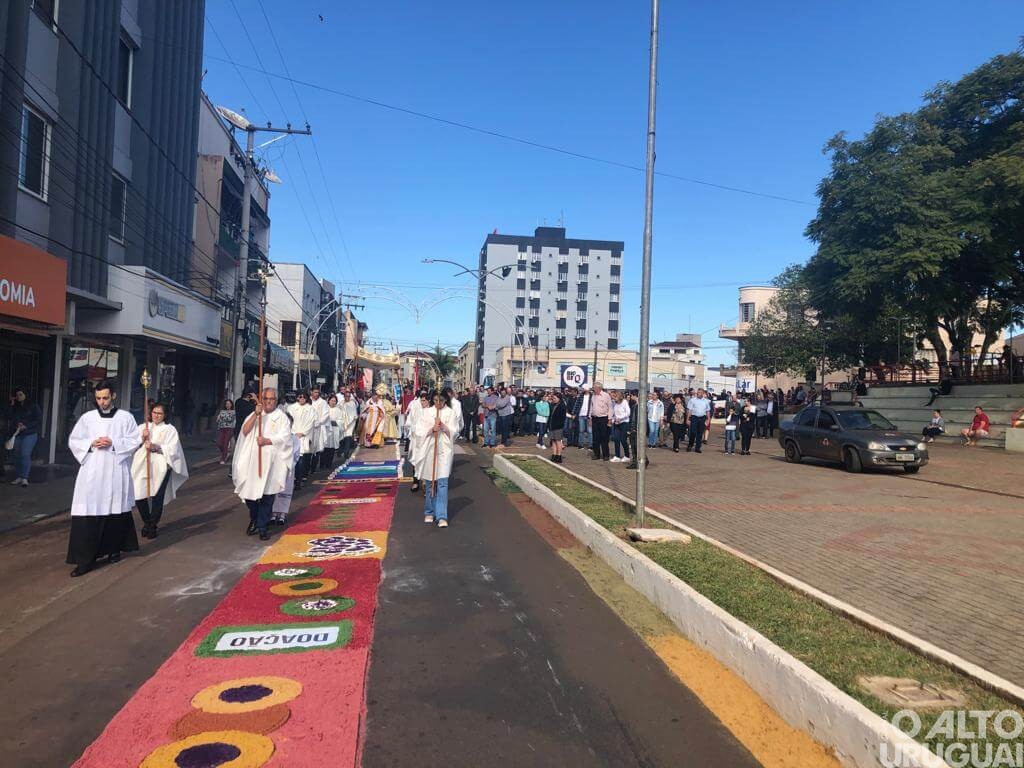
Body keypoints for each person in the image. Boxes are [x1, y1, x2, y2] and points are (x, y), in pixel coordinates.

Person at [65, 380, 141, 577]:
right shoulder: (87, 418)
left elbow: (135, 440)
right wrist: (91, 443)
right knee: (88, 511)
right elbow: (74, 440)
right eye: (98, 398)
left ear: (113, 396)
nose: (102, 402)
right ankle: (85, 559)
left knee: (114, 510)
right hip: (92, 471)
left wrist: (114, 443)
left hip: (115, 469)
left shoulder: (126, 417)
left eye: (105, 398)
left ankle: (113, 549)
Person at [232, 388, 293, 540]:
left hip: (273, 463)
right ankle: (256, 517)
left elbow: (285, 438)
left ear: (276, 400)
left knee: (268, 496)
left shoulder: (281, 417)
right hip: (253, 462)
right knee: (250, 496)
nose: (268, 402)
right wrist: (255, 414)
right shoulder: (256, 414)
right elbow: (244, 431)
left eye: (271, 399)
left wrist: (267, 440)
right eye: (265, 398)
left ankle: (262, 526)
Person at [131, 402, 188, 539]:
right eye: (154, 412)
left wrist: (157, 447)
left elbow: (173, 449)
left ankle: (152, 525)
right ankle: (147, 521)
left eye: (159, 413)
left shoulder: (170, 429)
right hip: (142, 465)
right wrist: (142, 438)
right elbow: (131, 445)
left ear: (165, 415)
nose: (156, 416)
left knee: (157, 496)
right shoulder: (143, 427)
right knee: (139, 495)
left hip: (161, 466)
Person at [412, 390, 459, 528]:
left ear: (445, 400)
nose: (439, 403)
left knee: (443, 482)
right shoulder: (426, 412)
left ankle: (442, 515)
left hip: (444, 450)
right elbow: (418, 431)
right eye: (436, 400)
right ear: (433, 400)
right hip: (429, 449)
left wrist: (444, 427)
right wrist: (432, 429)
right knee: (430, 482)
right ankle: (429, 511)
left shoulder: (451, 413)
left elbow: (455, 431)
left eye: (442, 401)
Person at [6, 386, 42, 487]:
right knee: (16, 455)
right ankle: (19, 476)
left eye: (21, 394)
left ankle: (24, 478)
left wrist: (27, 426)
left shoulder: (33, 405)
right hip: (17, 433)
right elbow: (9, 416)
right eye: (17, 395)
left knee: (25, 454)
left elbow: (38, 419)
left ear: (25, 395)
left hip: (29, 433)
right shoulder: (15, 406)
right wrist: (12, 404)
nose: (19, 397)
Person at [271, 414, 301, 526]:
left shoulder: (295, 439)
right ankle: (273, 514)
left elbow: (296, 454)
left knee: (286, 491)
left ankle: (282, 514)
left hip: (288, 468)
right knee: (275, 491)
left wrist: (289, 464)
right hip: (275, 468)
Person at [288, 391, 316, 489]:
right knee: (294, 459)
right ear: (297, 398)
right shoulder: (291, 408)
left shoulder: (310, 409)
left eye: (304, 397)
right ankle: (294, 479)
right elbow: (288, 421)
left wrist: (303, 432)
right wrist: (294, 432)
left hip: (304, 435)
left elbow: (311, 422)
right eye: (300, 397)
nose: (302, 399)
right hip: (293, 435)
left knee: (302, 458)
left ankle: (300, 478)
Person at [406, 391, 429, 492]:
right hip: (416, 440)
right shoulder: (416, 408)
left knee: (425, 461)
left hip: (427, 441)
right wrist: (413, 429)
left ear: (428, 401)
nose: (422, 403)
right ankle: (415, 482)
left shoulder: (432, 411)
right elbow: (410, 422)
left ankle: (425, 484)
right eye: (421, 400)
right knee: (415, 460)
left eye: (424, 401)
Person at [589, 381, 613, 461]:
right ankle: (596, 454)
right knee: (595, 437)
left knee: (604, 437)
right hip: (595, 418)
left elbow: (610, 407)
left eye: (594, 388)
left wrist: (610, 419)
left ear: (599, 388)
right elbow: (591, 407)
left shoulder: (606, 396)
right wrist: (590, 418)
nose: (593, 389)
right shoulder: (593, 396)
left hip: (603, 418)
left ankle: (606, 455)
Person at [309, 388, 331, 472]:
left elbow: (325, 414)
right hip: (308, 428)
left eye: (318, 392)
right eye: (315, 392)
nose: (317, 394)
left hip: (318, 427)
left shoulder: (323, 402)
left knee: (317, 448)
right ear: (311, 392)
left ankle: (313, 468)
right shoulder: (308, 401)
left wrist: (319, 422)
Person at [686, 388, 711, 453]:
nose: (698, 393)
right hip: (694, 417)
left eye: (699, 392)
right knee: (693, 432)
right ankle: (690, 445)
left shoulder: (706, 401)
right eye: (697, 392)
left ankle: (698, 448)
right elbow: (689, 410)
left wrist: (708, 419)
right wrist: (688, 419)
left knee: (700, 433)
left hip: (702, 418)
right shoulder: (692, 400)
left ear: (703, 393)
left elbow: (707, 411)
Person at [610, 391, 631, 462]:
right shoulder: (614, 403)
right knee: (616, 439)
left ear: (618, 396)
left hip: (624, 423)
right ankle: (617, 456)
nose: (612, 397)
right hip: (616, 423)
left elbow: (628, 413)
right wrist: (613, 420)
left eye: (614, 396)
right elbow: (613, 414)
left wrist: (620, 418)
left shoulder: (624, 402)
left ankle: (627, 456)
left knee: (623, 440)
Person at [323, 394, 343, 468]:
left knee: (332, 448)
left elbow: (341, 421)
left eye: (335, 401)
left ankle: (329, 464)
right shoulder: (325, 409)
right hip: (326, 430)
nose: (333, 402)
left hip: (334, 430)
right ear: (328, 401)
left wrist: (335, 422)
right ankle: (323, 464)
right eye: (332, 400)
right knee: (325, 448)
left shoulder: (338, 410)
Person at [215, 399, 236, 465]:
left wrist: (222, 417)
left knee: (225, 443)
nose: (228, 405)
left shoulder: (233, 412)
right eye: (226, 404)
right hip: (221, 428)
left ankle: (223, 458)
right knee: (219, 443)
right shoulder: (222, 411)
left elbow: (230, 419)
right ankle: (225, 452)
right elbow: (218, 420)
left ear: (231, 405)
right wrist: (221, 418)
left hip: (229, 429)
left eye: (229, 404)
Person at [547, 392, 566, 464]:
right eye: (553, 398)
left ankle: (559, 456)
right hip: (552, 425)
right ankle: (554, 454)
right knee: (553, 441)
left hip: (558, 426)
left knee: (558, 441)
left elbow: (563, 418)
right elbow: (550, 415)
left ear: (559, 398)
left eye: (555, 398)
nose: (553, 399)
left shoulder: (562, 406)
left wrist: (559, 424)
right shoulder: (552, 405)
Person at [340, 391, 358, 461]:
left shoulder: (352, 403)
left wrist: (350, 422)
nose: (347, 397)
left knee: (348, 438)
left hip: (350, 423)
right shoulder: (341, 403)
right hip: (342, 423)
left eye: (348, 396)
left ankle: (346, 453)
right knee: (342, 439)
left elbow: (354, 413)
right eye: (346, 396)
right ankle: (340, 451)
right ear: (344, 397)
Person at [574, 384, 592, 450]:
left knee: (589, 431)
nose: (583, 389)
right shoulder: (581, 396)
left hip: (589, 416)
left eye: (584, 388)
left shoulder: (592, 396)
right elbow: (577, 404)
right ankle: (580, 444)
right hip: (581, 415)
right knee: (581, 431)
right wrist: (574, 413)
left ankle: (591, 445)